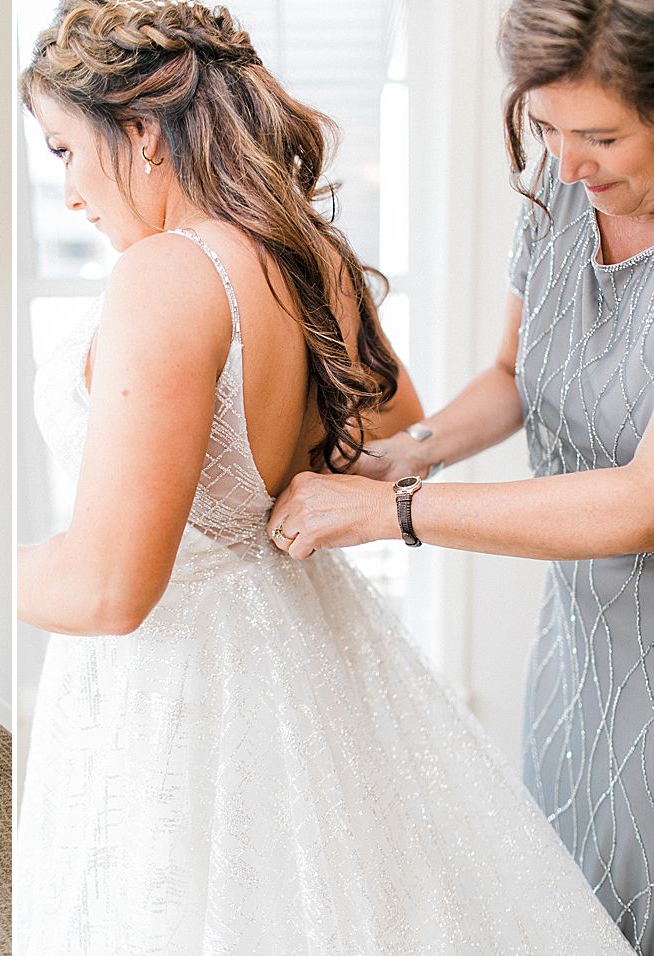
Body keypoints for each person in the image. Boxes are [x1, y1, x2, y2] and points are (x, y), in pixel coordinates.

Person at [15, 2, 633, 952]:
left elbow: (108, 588)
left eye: (63, 150)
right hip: (301, 648)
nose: (68, 193)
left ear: (139, 135)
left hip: (184, 686)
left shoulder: (165, 276)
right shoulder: (305, 251)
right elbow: (394, 425)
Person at [267, 0, 654, 949]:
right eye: (547, 126)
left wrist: (392, 509)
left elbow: (640, 505)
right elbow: (521, 373)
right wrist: (416, 448)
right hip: (583, 644)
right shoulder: (562, 191)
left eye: (601, 134)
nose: (568, 162)